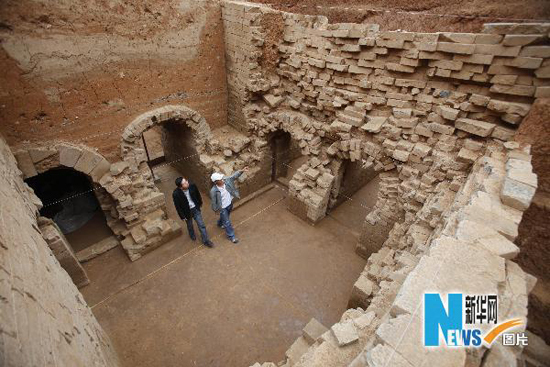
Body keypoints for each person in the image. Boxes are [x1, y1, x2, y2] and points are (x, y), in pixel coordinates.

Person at [210, 167, 249, 244]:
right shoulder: (213, 191)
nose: (223, 179)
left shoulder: (226, 180)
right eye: (221, 179)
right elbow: (214, 202)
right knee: (227, 222)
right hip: (222, 208)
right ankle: (232, 236)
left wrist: (242, 170)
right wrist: (216, 210)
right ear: (216, 182)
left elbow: (234, 176)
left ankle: (219, 223)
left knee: (226, 217)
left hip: (230, 204)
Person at [172, 177, 215, 248]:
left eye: (186, 180)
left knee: (201, 225)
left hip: (195, 209)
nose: (187, 182)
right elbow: (178, 206)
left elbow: (198, 194)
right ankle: (192, 234)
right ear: (181, 187)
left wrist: (200, 203)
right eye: (184, 183)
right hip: (187, 212)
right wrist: (182, 216)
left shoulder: (192, 186)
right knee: (190, 225)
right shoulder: (176, 194)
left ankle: (206, 241)